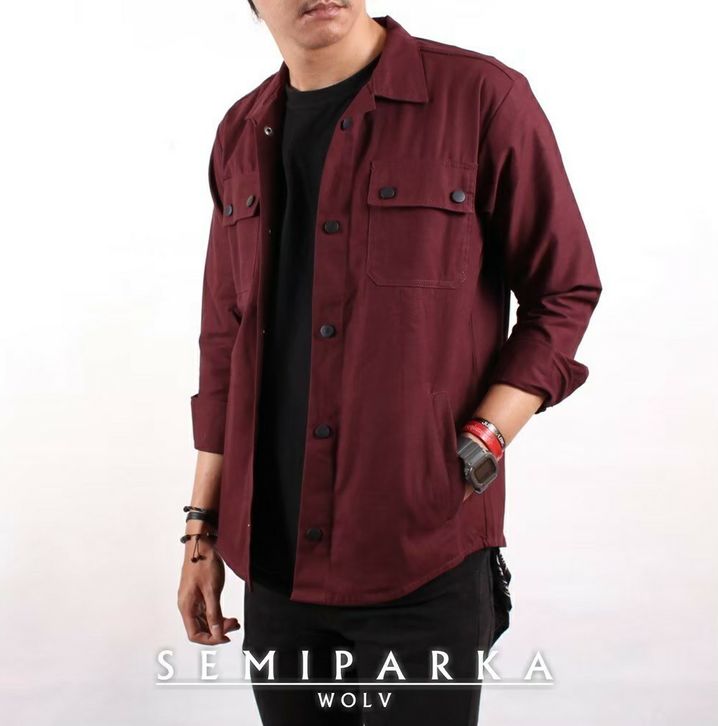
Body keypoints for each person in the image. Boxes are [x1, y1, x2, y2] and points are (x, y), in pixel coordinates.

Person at [177, 3, 602, 724]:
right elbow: (225, 342)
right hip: (274, 563)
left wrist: (482, 441)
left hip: (422, 554)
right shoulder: (240, 134)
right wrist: (201, 532)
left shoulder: (481, 97)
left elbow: (563, 291)